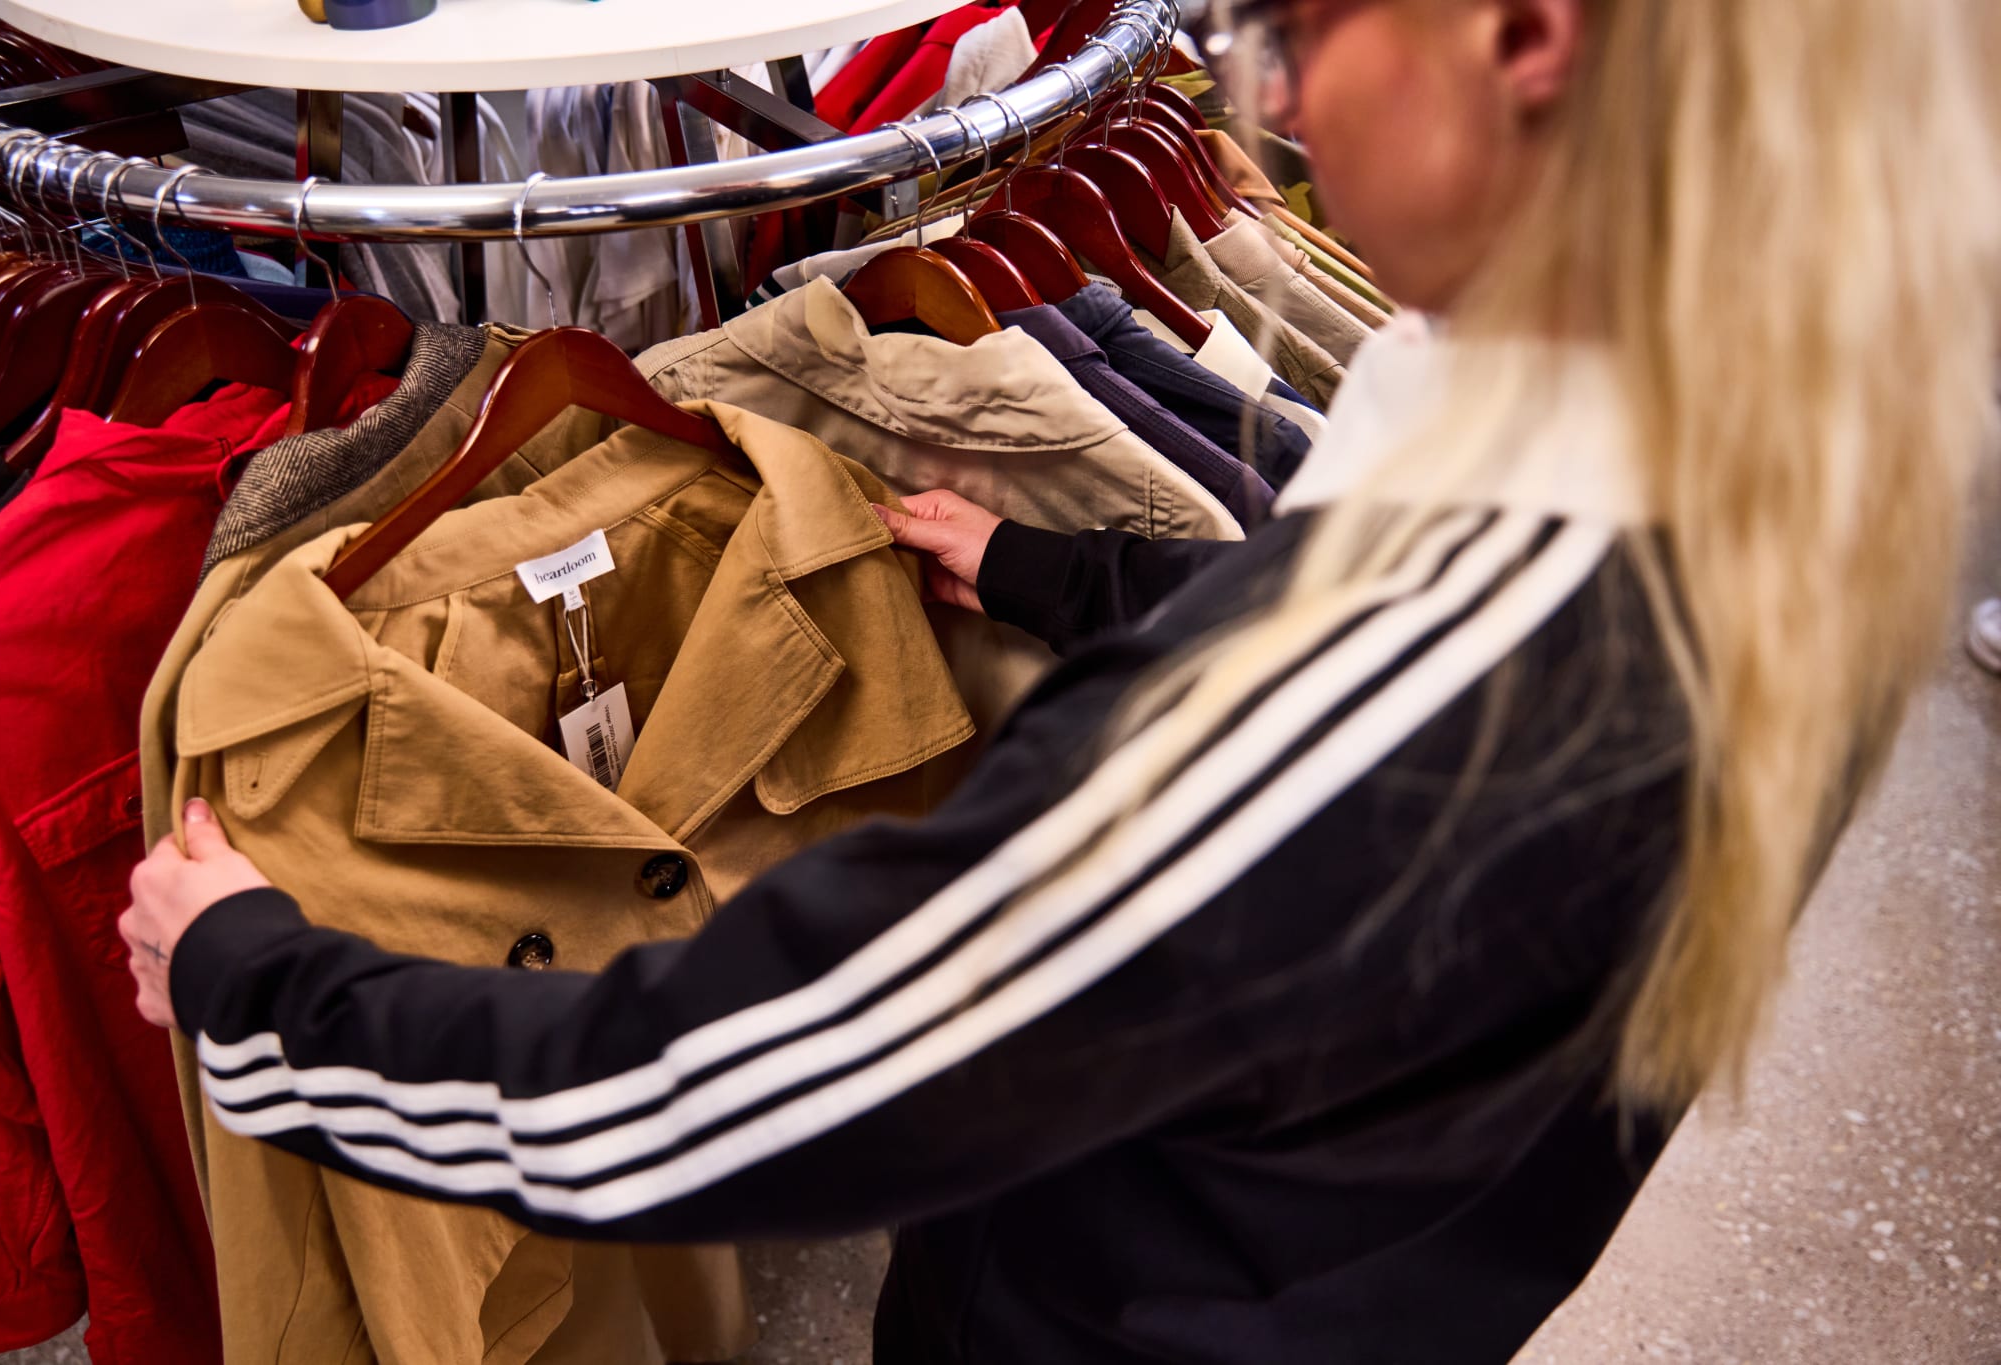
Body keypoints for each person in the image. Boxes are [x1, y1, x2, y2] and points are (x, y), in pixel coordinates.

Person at [121, 1, 2000, 1360]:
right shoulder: (1809, 427)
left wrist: (258, 984)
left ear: (1527, 38)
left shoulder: (1361, 723)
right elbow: (1314, 588)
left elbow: (719, 1089)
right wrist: (1056, 567)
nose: (1270, 120)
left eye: (1302, 31)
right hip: (1412, 1247)